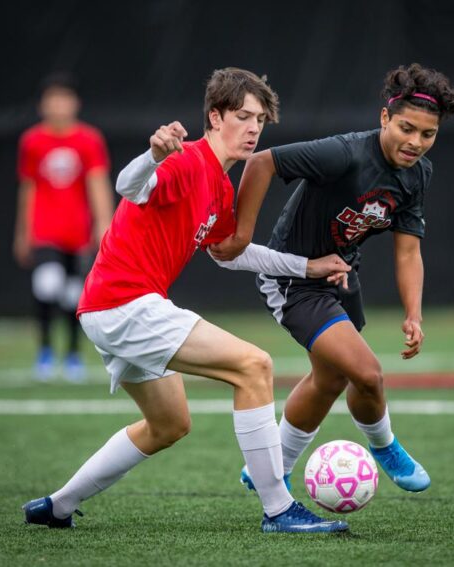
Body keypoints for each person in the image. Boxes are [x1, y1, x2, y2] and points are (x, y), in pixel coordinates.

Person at [22, 68, 352, 533]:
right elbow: (128, 186)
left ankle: (57, 506)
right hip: (125, 303)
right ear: (214, 117)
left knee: (169, 424)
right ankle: (278, 510)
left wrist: (308, 267)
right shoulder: (187, 161)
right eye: (243, 116)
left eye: (260, 119)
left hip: (110, 309)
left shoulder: (218, 185)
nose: (254, 127)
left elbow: (229, 254)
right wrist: (152, 156)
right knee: (254, 366)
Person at [210, 63, 454, 493]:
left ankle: (269, 469)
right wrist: (243, 235)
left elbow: (408, 250)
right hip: (291, 277)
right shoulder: (345, 154)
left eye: (427, 134)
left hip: (341, 273)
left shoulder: (418, 175)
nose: (415, 142)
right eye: (406, 128)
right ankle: (385, 446)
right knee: (368, 373)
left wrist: (414, 314)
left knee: (330, 378)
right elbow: (262, 163)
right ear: (384, 118)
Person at [13, 73, 115, 382]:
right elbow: (27, 188)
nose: (58, 105)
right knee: (46, 284)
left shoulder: (89, 140)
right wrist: (22, 233)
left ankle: (72, 355)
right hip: (45, 232)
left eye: (64, 98)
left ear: (75, 103)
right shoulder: (32, 141)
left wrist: (104, 225)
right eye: (52, 99)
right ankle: (44, 351)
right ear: (42, 105)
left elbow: (98, 183)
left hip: (77, 233)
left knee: (73, 295)